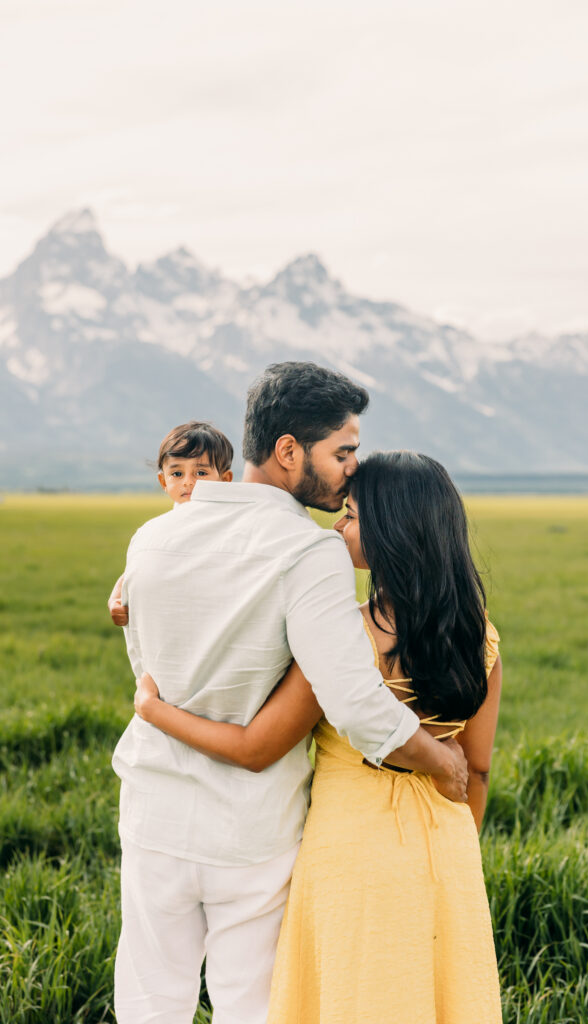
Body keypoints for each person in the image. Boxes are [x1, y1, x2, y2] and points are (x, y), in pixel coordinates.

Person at [111, 363, 468, 1024]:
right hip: (251, 828)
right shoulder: (309, 553)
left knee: (149, 997)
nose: (351, 469)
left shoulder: (149, 539)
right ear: (287, 452)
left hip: (153, 809)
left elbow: (146, 674)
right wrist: (442, 760)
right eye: (342, 452)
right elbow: (355, 701)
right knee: (248, 1003)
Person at [107, 420, 234, 626]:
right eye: (177, 474)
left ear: (225, 480)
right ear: (164, 482)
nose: (188, 482)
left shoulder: (231, 524)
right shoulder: (156, 531)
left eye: (201, 473)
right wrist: (116, 598)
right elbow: (138, 568)